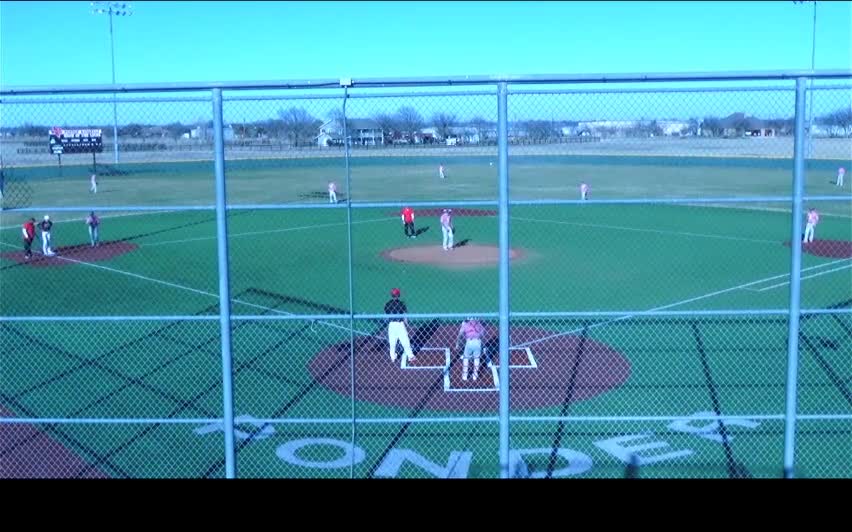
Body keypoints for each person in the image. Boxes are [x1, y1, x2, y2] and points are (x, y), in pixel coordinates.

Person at [384, 288, 415, 363]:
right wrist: (407, 324)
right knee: (405, 340)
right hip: (400, 325)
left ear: (392, 295)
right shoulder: (401, 304)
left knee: (392, 342)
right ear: (398, 295)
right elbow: (405, 316)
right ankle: (410, 356)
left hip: (391, 325)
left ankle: (393, 357)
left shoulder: (387, 304)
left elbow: (386, 316)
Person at [455, 317, 485, 381]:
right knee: (477, 359)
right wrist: (482, 345)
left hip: (469, 342)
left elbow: (460, 335)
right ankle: (475, 376)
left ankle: (465, 376)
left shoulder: (466, 324)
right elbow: (482, 335)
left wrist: (457, 344)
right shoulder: (479, 324)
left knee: (466, 358)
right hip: (478, 342)